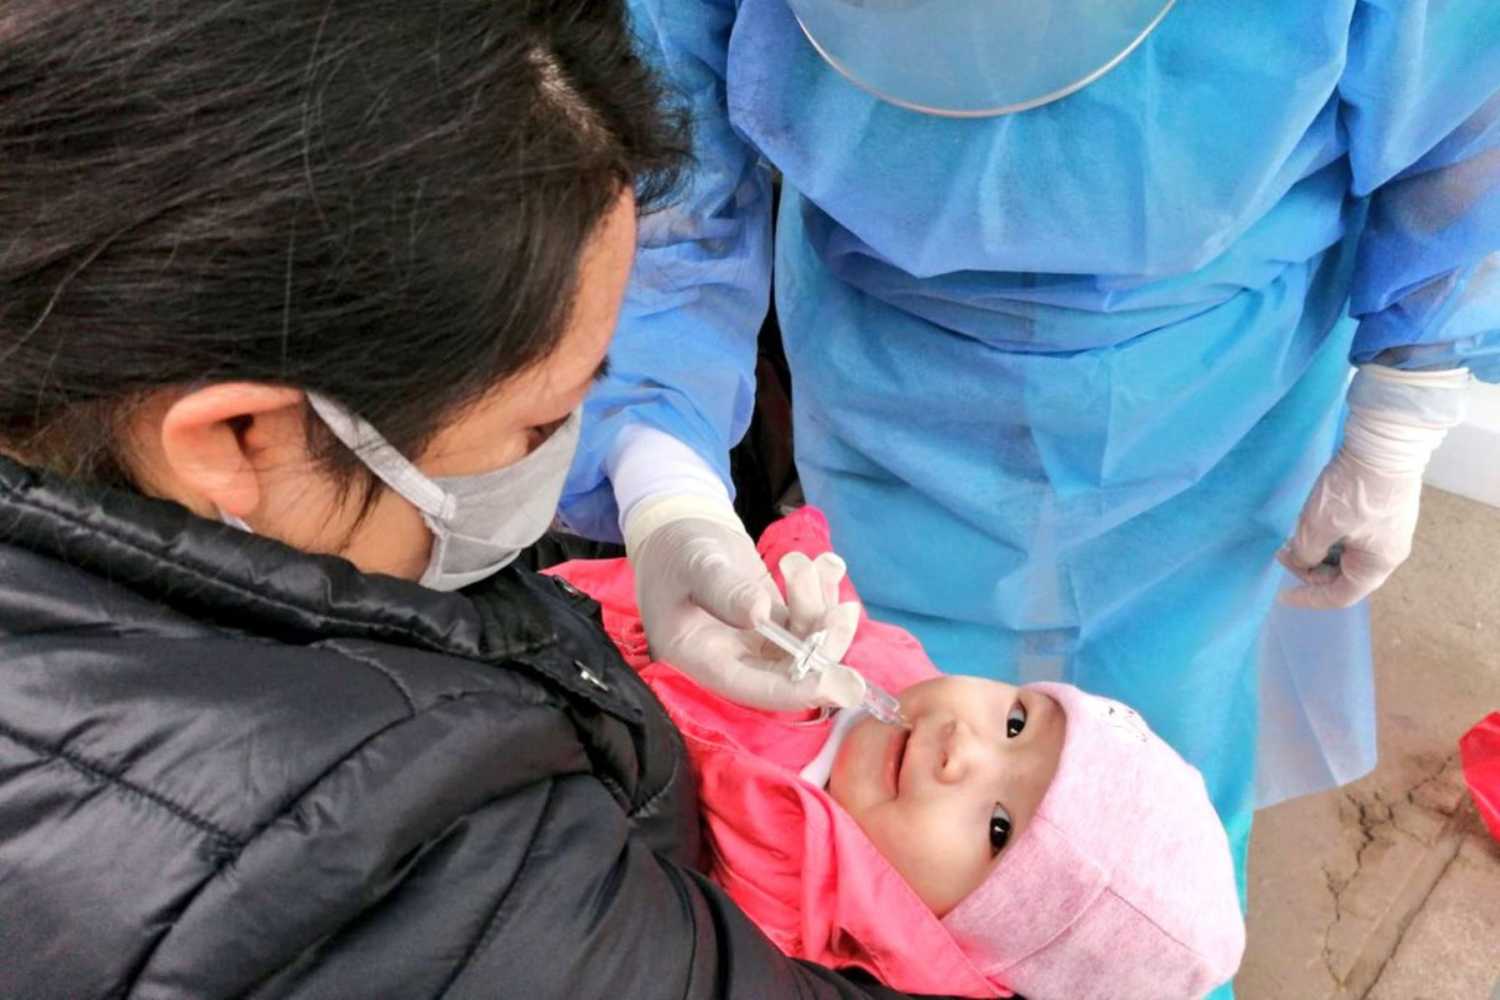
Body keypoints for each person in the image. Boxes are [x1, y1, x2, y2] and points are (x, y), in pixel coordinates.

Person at [0, 3, 946, 997]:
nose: (568, 456)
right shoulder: (413, 878)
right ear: (242, 438)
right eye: (540, 427)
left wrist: (667, 500)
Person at [558, 3, 1500, 977]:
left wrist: (1407, 395)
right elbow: (667, 151)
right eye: (1011, 720)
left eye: (1001, 806)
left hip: (1220, 388)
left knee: (1152, 775)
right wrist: (666, 483)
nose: (962, 744)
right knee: (907, 685)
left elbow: (1464, 93)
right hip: (890, 368)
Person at [553, 508, 1245, 999]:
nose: (961, 749)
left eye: (999, 829)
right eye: (1015, 722)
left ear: (949, 934)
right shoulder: (887, 667)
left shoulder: (785, 917)